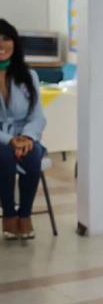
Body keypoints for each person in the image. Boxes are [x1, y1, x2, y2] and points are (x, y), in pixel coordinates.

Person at [0, 19, 47, 241]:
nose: (1, 44)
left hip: (24, 135)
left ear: (14, 42)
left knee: (34, 154)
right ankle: (9, 214)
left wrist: (28, 137)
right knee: (5, 157)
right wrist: (9, 140)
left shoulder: (29, 76)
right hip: (2, 139)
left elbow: (37, 115)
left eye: (5, 38)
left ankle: (25, 214)